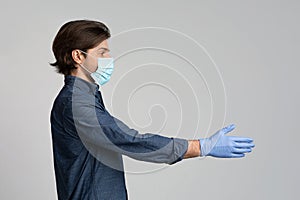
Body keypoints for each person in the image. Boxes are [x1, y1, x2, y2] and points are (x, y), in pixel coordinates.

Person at [49, 19, 255, 200]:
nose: (109, 57)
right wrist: (201, 147)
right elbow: (126, 139)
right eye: (102, 52)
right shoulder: (76, 105)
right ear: (78, 56)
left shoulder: (87, 97)